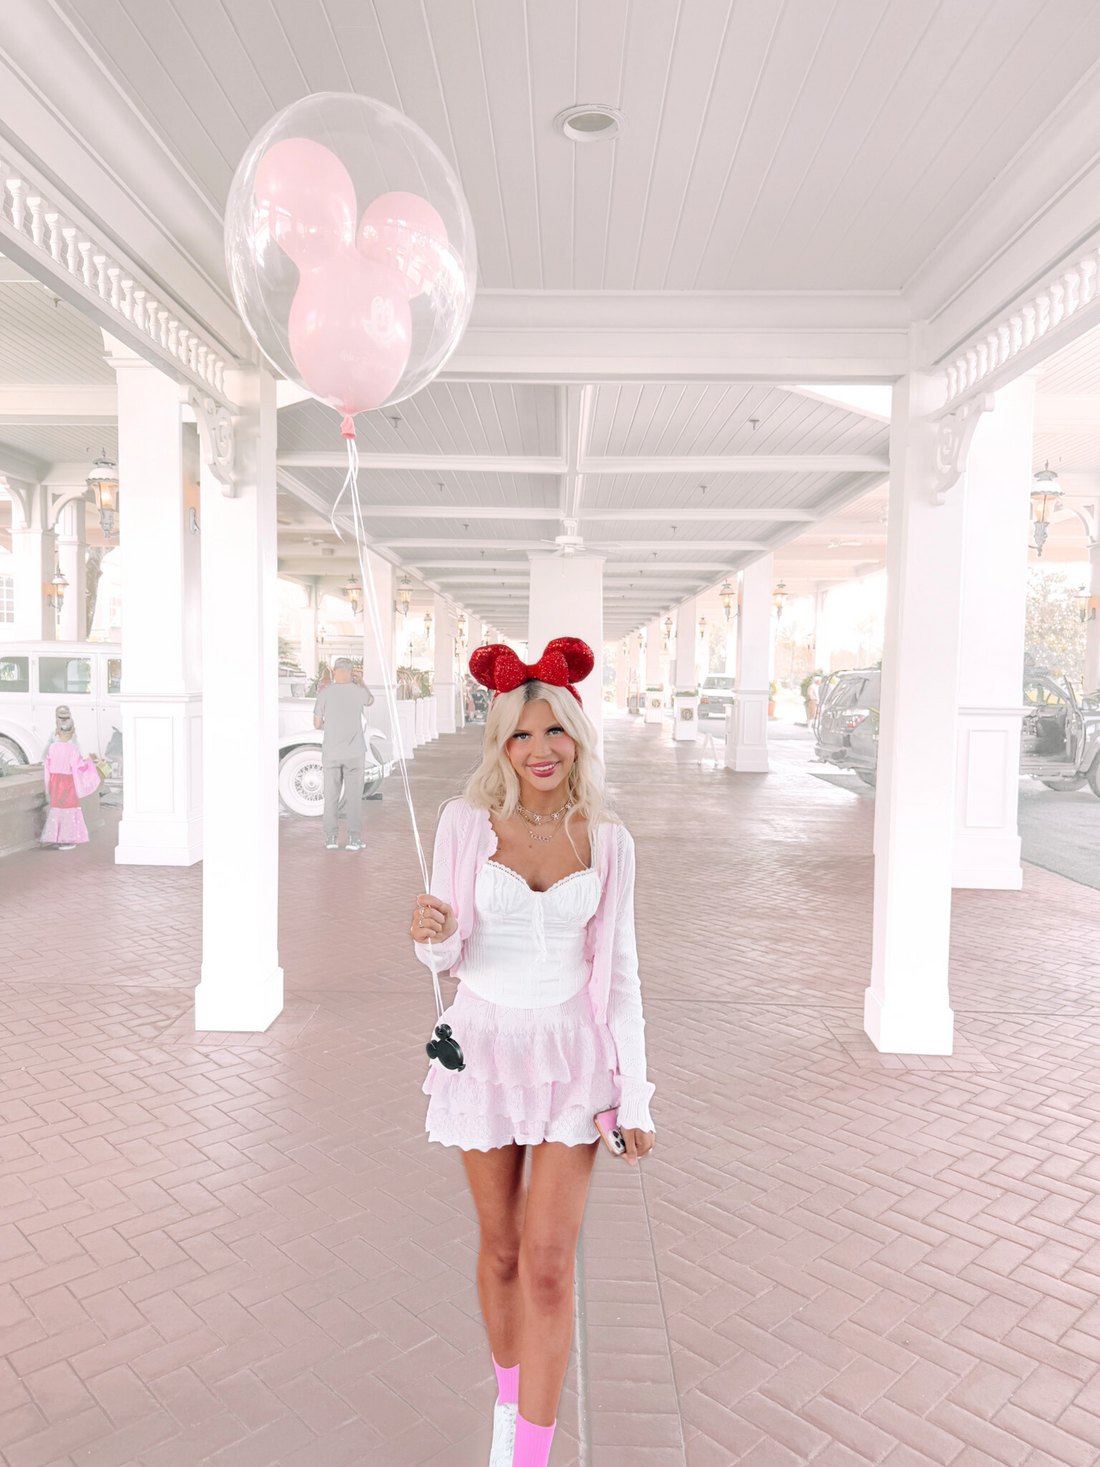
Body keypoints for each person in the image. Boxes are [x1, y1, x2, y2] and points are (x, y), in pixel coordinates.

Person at [410, 637, 655, 1467]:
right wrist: (431, 937)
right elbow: (443, 954)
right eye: (521, 734)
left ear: (579, 734)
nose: (540, 750)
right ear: (500, 742)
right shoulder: (462, 822)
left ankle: (529, 1458)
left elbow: (618, 974)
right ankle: (508, 1405)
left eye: (554, 731)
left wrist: (638, 1093)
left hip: (572, 1059)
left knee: (549, 1263)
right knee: (504, 1246)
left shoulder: (609, 840)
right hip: (482, 1045)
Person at [313, 658, 374, 850]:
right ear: (351, 672)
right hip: (355, 753)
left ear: (334, 671)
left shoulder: (324, 693)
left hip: (331, 752)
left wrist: (329, 727)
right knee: (354, 796)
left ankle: (331, 838)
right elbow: (371, 700)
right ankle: (353, 839)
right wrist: (361, 681)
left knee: (331, 795)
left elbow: (316, 724)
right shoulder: (358, 692)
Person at [40, 706, 90, 851]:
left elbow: (46, 768)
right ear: (73, 731)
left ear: (56, 731)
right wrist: (89, 763)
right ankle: (67, 839)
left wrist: (47, 787)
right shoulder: (73, 749)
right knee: (69, 809)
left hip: (55, 783)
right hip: (69, 783)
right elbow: (78, 767)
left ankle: (55, 836)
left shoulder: (52, 748)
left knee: (56, 809)